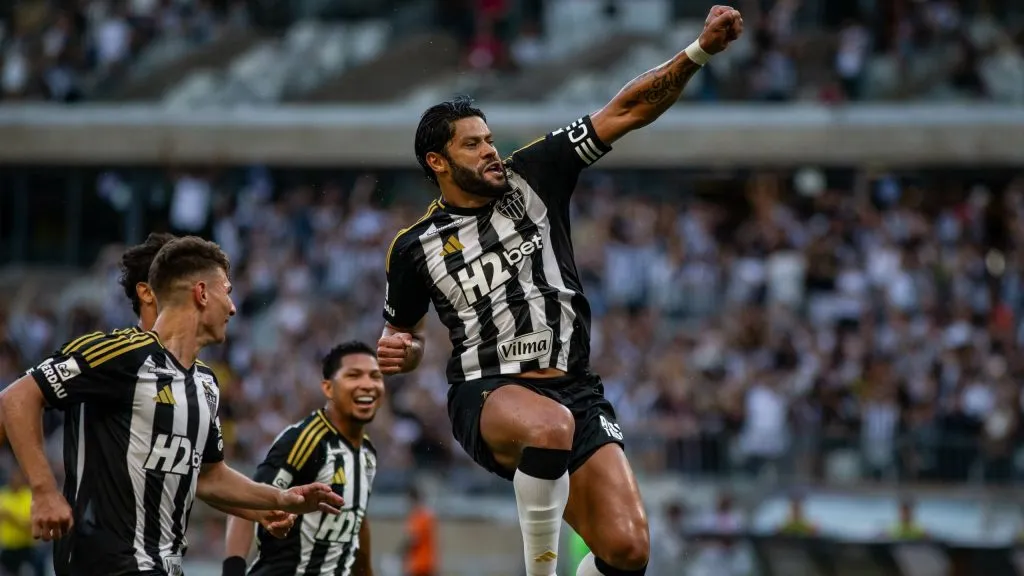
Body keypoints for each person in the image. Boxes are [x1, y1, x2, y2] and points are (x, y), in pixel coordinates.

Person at [377, 6, 744, 576]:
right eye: (472, 145)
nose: (490, 150)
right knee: (549, 426)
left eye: (490, 138)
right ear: (438, 161)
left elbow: (625, 110)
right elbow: (405, 337)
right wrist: (402, 352)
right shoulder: (414, 247)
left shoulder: (536, 175)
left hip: (576, 388)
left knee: (628, 553)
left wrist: (697, 52)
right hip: (488, 393)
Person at [0, 236, 344, 575]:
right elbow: (17, 397)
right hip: (107, 561)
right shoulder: (121, 353)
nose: (234, 307)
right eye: (228, 291)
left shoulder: (206, 384)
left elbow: (208, 476)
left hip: (164, 564)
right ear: (201, 293)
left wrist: (278, 500)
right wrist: (44, 491)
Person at [223, 341, 384, 576]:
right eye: (354, 375)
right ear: (328, 388)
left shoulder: (367, 453)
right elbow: (246, 499)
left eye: (375, 376)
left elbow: (357, 521)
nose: (367, 385)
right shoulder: (306, 440)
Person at [0, 468, 43, 576]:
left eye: (17, 476)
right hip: (7, 548)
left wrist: (12, 519)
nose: (13, 479)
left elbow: (32, 527)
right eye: (12, 476)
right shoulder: (3, 495)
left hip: (26, 549)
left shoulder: (29, 497)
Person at [400, 486, 436, 576]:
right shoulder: (422, 516)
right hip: (422, 564)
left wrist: (398, 554)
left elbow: (413, 539)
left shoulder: (420, 517)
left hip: (420, 564)